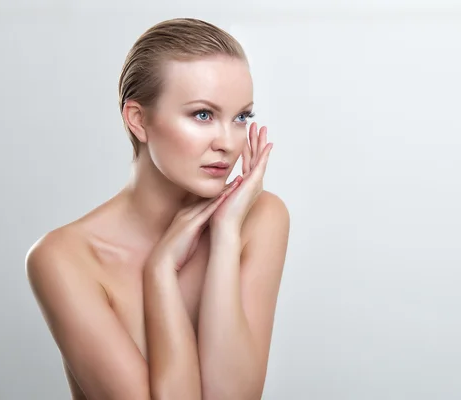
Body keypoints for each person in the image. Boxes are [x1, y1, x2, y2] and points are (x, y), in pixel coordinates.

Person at [26, 17, 290, 400]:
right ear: (139, 120)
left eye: (241, 118)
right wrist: (160, 272)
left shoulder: (259, 218)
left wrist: (226, 236)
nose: (228, 143)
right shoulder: (65, 258)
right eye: (203, 115)